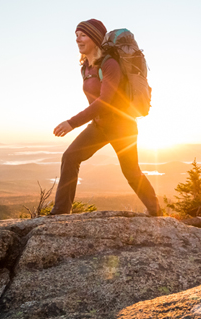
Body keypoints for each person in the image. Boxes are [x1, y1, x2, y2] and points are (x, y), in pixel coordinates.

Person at [51, 19, 161, 216]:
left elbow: (106, 101)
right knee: (70, 157)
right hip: (100, 125)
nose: (78, 39)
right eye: (76, 35)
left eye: (82, 35)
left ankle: (156, 212)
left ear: (95, 38)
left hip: (122, 127)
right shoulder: (86, 67)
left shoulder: (110, 64)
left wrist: (72, 123)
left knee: (131, 172)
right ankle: (60, 212)